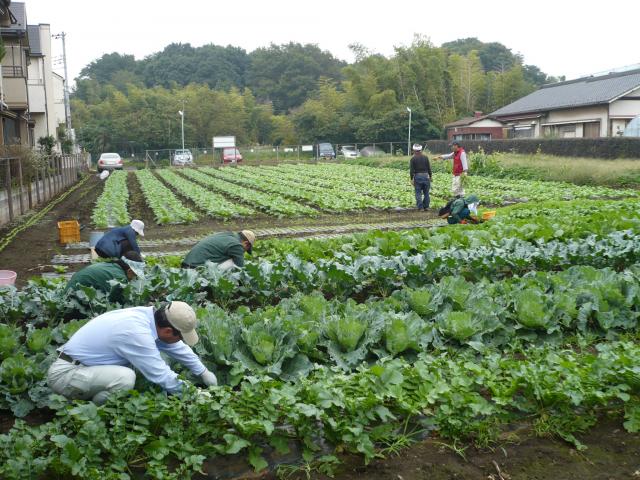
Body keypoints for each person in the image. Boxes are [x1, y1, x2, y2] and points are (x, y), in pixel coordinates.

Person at [47, 301, 218, 404]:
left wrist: (203, 372)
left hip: (86, 370)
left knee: (130, 373)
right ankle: (92, 410)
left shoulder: (148, 318)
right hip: (66, 375)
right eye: (180, 337)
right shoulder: (135, 333)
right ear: (167, 331)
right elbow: (161, 375)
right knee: (125, 377)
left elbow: (175, 347)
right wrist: (195, 395)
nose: (181, 342)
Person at [64, 251, 145, 302]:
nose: (134, 278)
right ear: (130, 271)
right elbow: (116, 301)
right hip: (71, 301)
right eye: (135, 275)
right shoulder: (119, 278)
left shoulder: (112, 266)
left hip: (69, 292)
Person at [182, 230, 255, 270]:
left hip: (187, 264)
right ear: (246, 243)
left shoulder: (226, 235)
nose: (243, 252)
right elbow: (240, 269)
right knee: (233, 264)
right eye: (245, 250)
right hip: (197, 269)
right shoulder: (237, 245)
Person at [409, 143, 432, 210]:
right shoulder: (425, 157)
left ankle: (420, 207)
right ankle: (426, 207)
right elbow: (429, 168)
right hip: (426, 176)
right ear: (420, 150)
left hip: (418, 176)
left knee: (418, 192)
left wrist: (411, 179)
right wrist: (430, 176)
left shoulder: (413, 159)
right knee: (426, 193)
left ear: (414, 150)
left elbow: (411, 170)